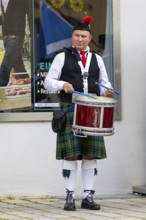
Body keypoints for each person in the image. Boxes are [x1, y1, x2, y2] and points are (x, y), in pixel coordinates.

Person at [44, 15, 114, 211]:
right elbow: (48, 82)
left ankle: (88, 197)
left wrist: (106, 91)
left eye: (83, 36)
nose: (80, 39)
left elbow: (104, 84)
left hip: (91, 111)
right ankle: (69, 196)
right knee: (71, 155)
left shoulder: (97, 59)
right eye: (76, 36)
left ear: (89, 37)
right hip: (69, 109)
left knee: (90, 155)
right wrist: (62, 84)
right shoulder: (61, 57)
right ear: (72, 37)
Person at [0, 0, 30, 87]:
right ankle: (29, 84)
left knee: (4, 69)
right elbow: (6, 18)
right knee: (19, 68)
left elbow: (29, 12)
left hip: (16, 38)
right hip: (6, 38)